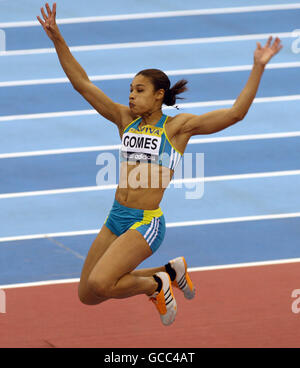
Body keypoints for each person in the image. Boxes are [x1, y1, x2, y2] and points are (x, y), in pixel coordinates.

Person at [37, 3, 283, 326]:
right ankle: (169, 272)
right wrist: (58, 39)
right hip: (116, 215)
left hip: (146, 222)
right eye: (130, 90)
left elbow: (235, 113)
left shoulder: (177, 128)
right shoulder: (125, 120)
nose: (131, 96)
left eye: (139, 90)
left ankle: (157, 285)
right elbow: (82, 83)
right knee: (87, 292)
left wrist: (258, 67)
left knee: (102, 282)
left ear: (159, 96)